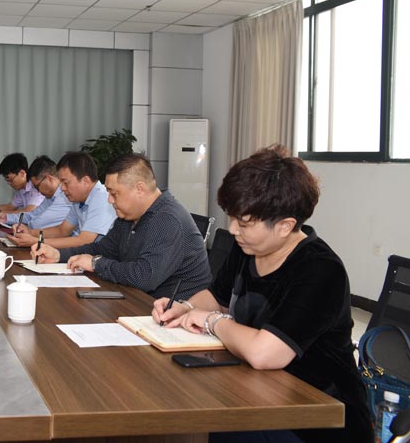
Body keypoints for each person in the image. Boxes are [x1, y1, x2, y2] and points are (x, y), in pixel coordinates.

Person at [152, 145, 373, 443]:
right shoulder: (248, 247)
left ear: (285, 226)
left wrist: (211, 321)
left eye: (244, 223)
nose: (233, 230)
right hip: (256, 392)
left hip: (317, 417)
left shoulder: (320, 270)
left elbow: (264, 353)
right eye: (232, 218)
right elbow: (217, 297)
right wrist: (184, 307)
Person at [31, 154, 210, 299]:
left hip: (176, 315)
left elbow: (144, 277)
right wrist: (59, 255)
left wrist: (96, 263)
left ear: (140, 189)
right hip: (140, 302)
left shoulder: (168, 219)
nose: (109, 200)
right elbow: (103, 249)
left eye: (114, 193)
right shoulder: (129, 217)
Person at [7, 152, 115, 249]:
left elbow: (84, 241)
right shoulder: (78, 200)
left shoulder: (101, 198)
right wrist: (30, 232)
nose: (62, 188)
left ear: (85, 181)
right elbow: (62, 230)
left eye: (65, 183)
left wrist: (37, 241)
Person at [0, 153, 44, 225]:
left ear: (22, 173)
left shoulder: (37, 187)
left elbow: (28, 212)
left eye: (10, 180)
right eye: (7, 180)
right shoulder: (22, 190)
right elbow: (10, 207)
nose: (9, 183)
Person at [11, 155, 71, 230]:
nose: (38, 191)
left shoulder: (65, 196)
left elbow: (39, 224)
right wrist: (6, 218)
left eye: (37, 186)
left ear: (49, 179)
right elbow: (31, 215)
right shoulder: (49, 197)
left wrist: (24, 227)